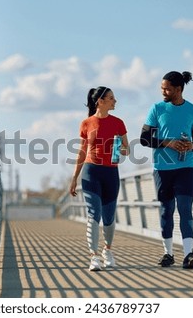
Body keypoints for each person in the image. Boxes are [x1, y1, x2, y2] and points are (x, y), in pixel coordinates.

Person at [140, 71, 193, 269]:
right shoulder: (157, 109)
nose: (163, 92)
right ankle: (168, 253)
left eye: (167, 88)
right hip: (162, 168)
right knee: (166, 211)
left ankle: (188, 255)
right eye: (162, 88)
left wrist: (190, 146)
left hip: (186, 167)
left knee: (185, 209)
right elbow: (144, 139)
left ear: (178, 89)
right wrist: (168, 143)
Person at [69, 86, 129, 271]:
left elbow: (127, 148)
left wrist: (120, 149)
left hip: (111, 172)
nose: (115, 101)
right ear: (100, 102)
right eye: (111, 98)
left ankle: (107, 251)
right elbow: (81, 152)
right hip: (91, 172)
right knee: (94, 213)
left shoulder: (118, 123)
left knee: (109, 217)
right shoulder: (87, 123)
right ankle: (93, 256)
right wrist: (74, 178)